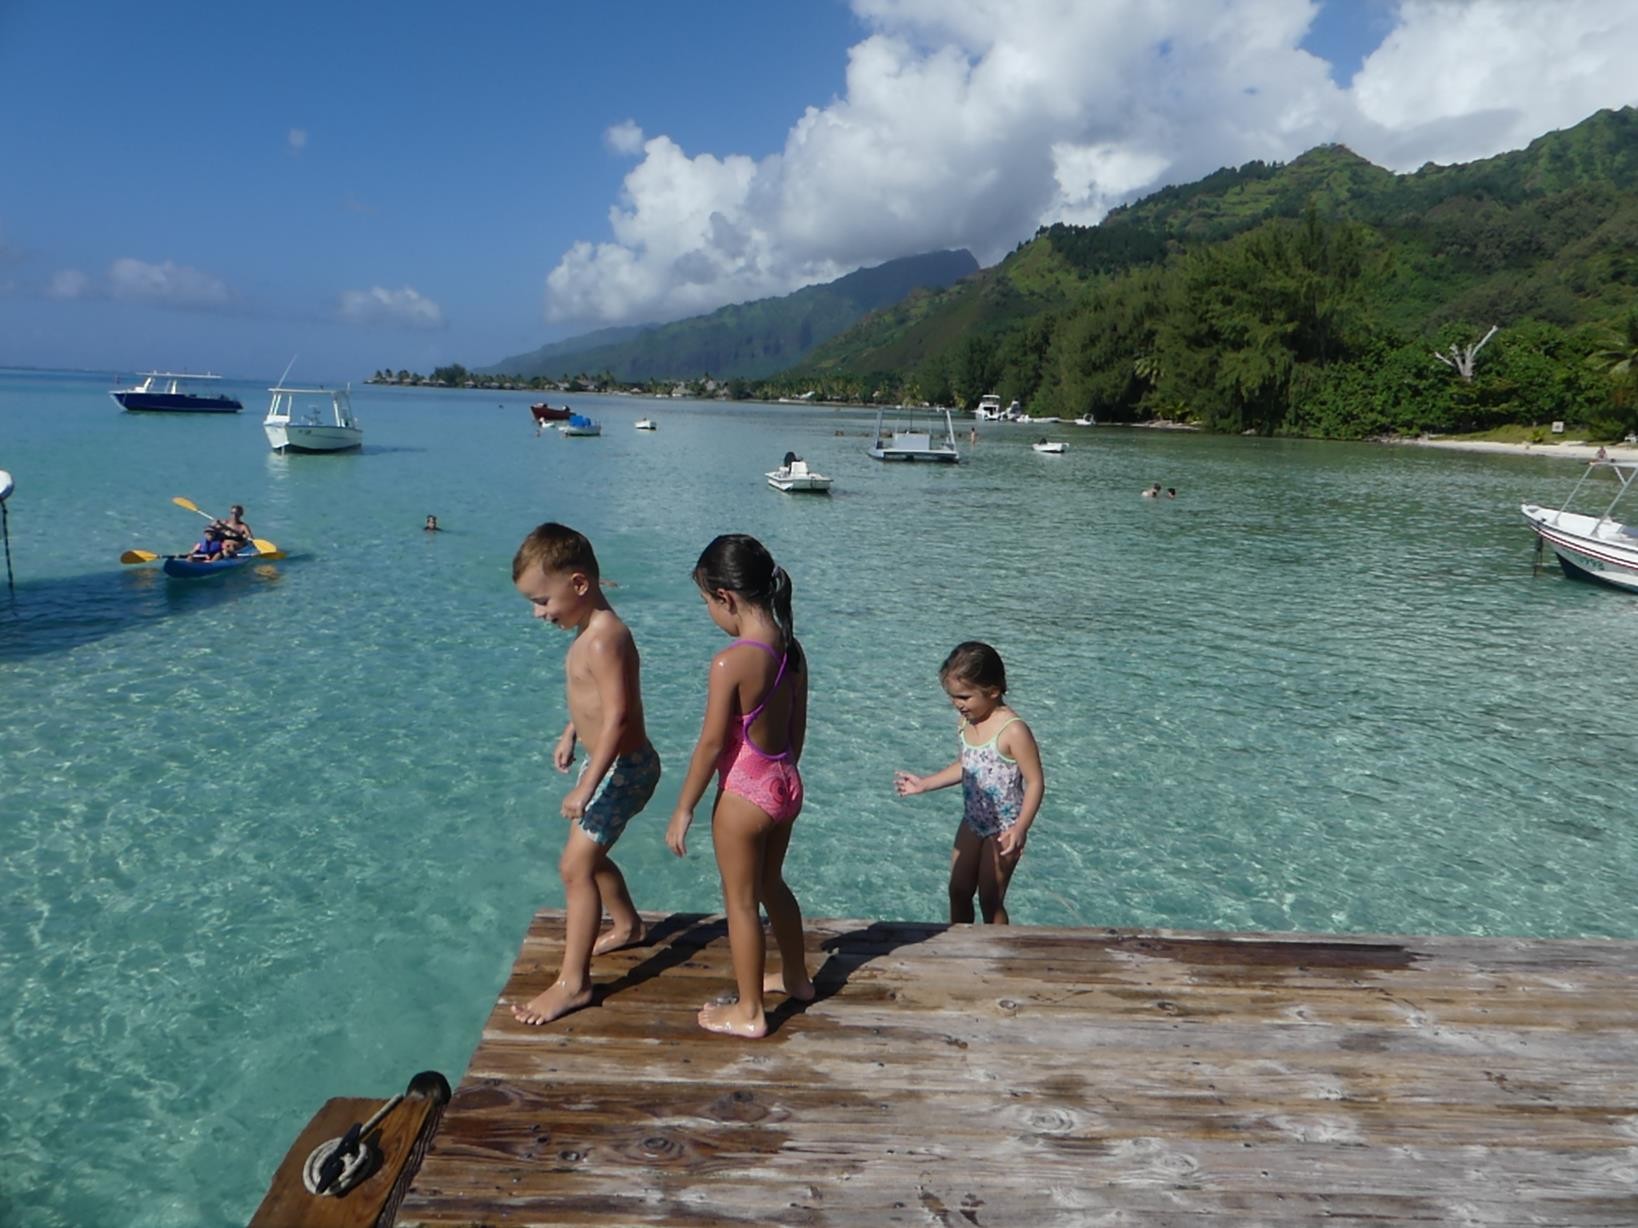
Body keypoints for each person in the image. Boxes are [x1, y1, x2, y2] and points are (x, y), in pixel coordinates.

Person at [510, 523, 662, 1025]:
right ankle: (629, 925)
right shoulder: (588, 630)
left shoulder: (605, 639)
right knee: (589, 857)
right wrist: (570, 732)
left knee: (573, 867)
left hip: (623, 770)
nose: (537, 614)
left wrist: (588, 784)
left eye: (541, 600)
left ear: (578, 584)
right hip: (612, 765)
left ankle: (573, 983)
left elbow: (619, 715)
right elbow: (594, 701)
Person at [666, 534, 813, 1038]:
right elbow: (796, 735)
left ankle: (750, 1011)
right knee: (773, 884)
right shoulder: (793, 652)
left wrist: (684, 807)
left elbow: (709, 746)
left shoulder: (731, 662)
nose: (709, 611)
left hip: (744, 796)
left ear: (726, 597)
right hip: (785, 785)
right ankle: (796, 977)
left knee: (741, 901)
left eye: (707, 601)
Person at [895, 642, 1045, 926]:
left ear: (992, 691)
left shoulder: (1013, 730)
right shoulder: (967, 721)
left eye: (964, 697)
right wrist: (925, 784)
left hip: (1004, 827)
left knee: (990, 898)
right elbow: (968, 764)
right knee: (958, 890)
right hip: (972, 820)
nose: (957, 704)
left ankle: (997, 955)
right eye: (952, 697)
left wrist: (1020, 828)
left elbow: (1036, 782)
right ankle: (959, 948)